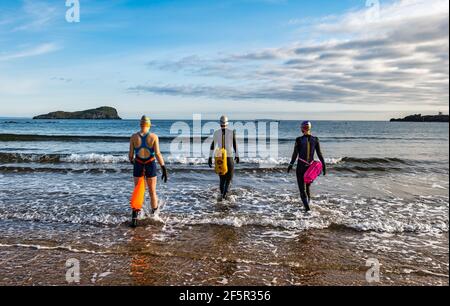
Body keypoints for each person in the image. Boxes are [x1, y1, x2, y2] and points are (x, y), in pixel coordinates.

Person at [129, 116, 168, 227]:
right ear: (149, 125)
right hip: (150, 164)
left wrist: (134, 162)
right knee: (152, 192)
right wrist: (163, 167)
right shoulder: (154, 137)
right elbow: (158, 154)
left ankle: (134, 219)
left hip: (138, 164)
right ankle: (154, 216)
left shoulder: (133, 137)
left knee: (138, 191)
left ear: (140, 124)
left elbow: (130, 156)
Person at [288, 121, 326, 212]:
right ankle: (309, 203)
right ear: (310, 128)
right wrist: (324, 165)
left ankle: (307, 210)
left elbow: (295, 154)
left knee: (302, 190)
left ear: (302, 129)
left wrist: (291, 164)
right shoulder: (315, 139)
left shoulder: (298, 140)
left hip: (301, 166)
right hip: (310, 167)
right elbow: (320, 154)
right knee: (308, 186)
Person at [208, 115, 240, 200]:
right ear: (227, 123)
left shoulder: (216, 133)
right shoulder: (231, 132)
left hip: (219, 158)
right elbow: (235, 145)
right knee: (229, 180)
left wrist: (210, 157)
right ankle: (225, 197)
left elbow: (212, 145)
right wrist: (237, 155)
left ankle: (221, 197)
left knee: (222, 180)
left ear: (220, 123)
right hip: (229, 158)